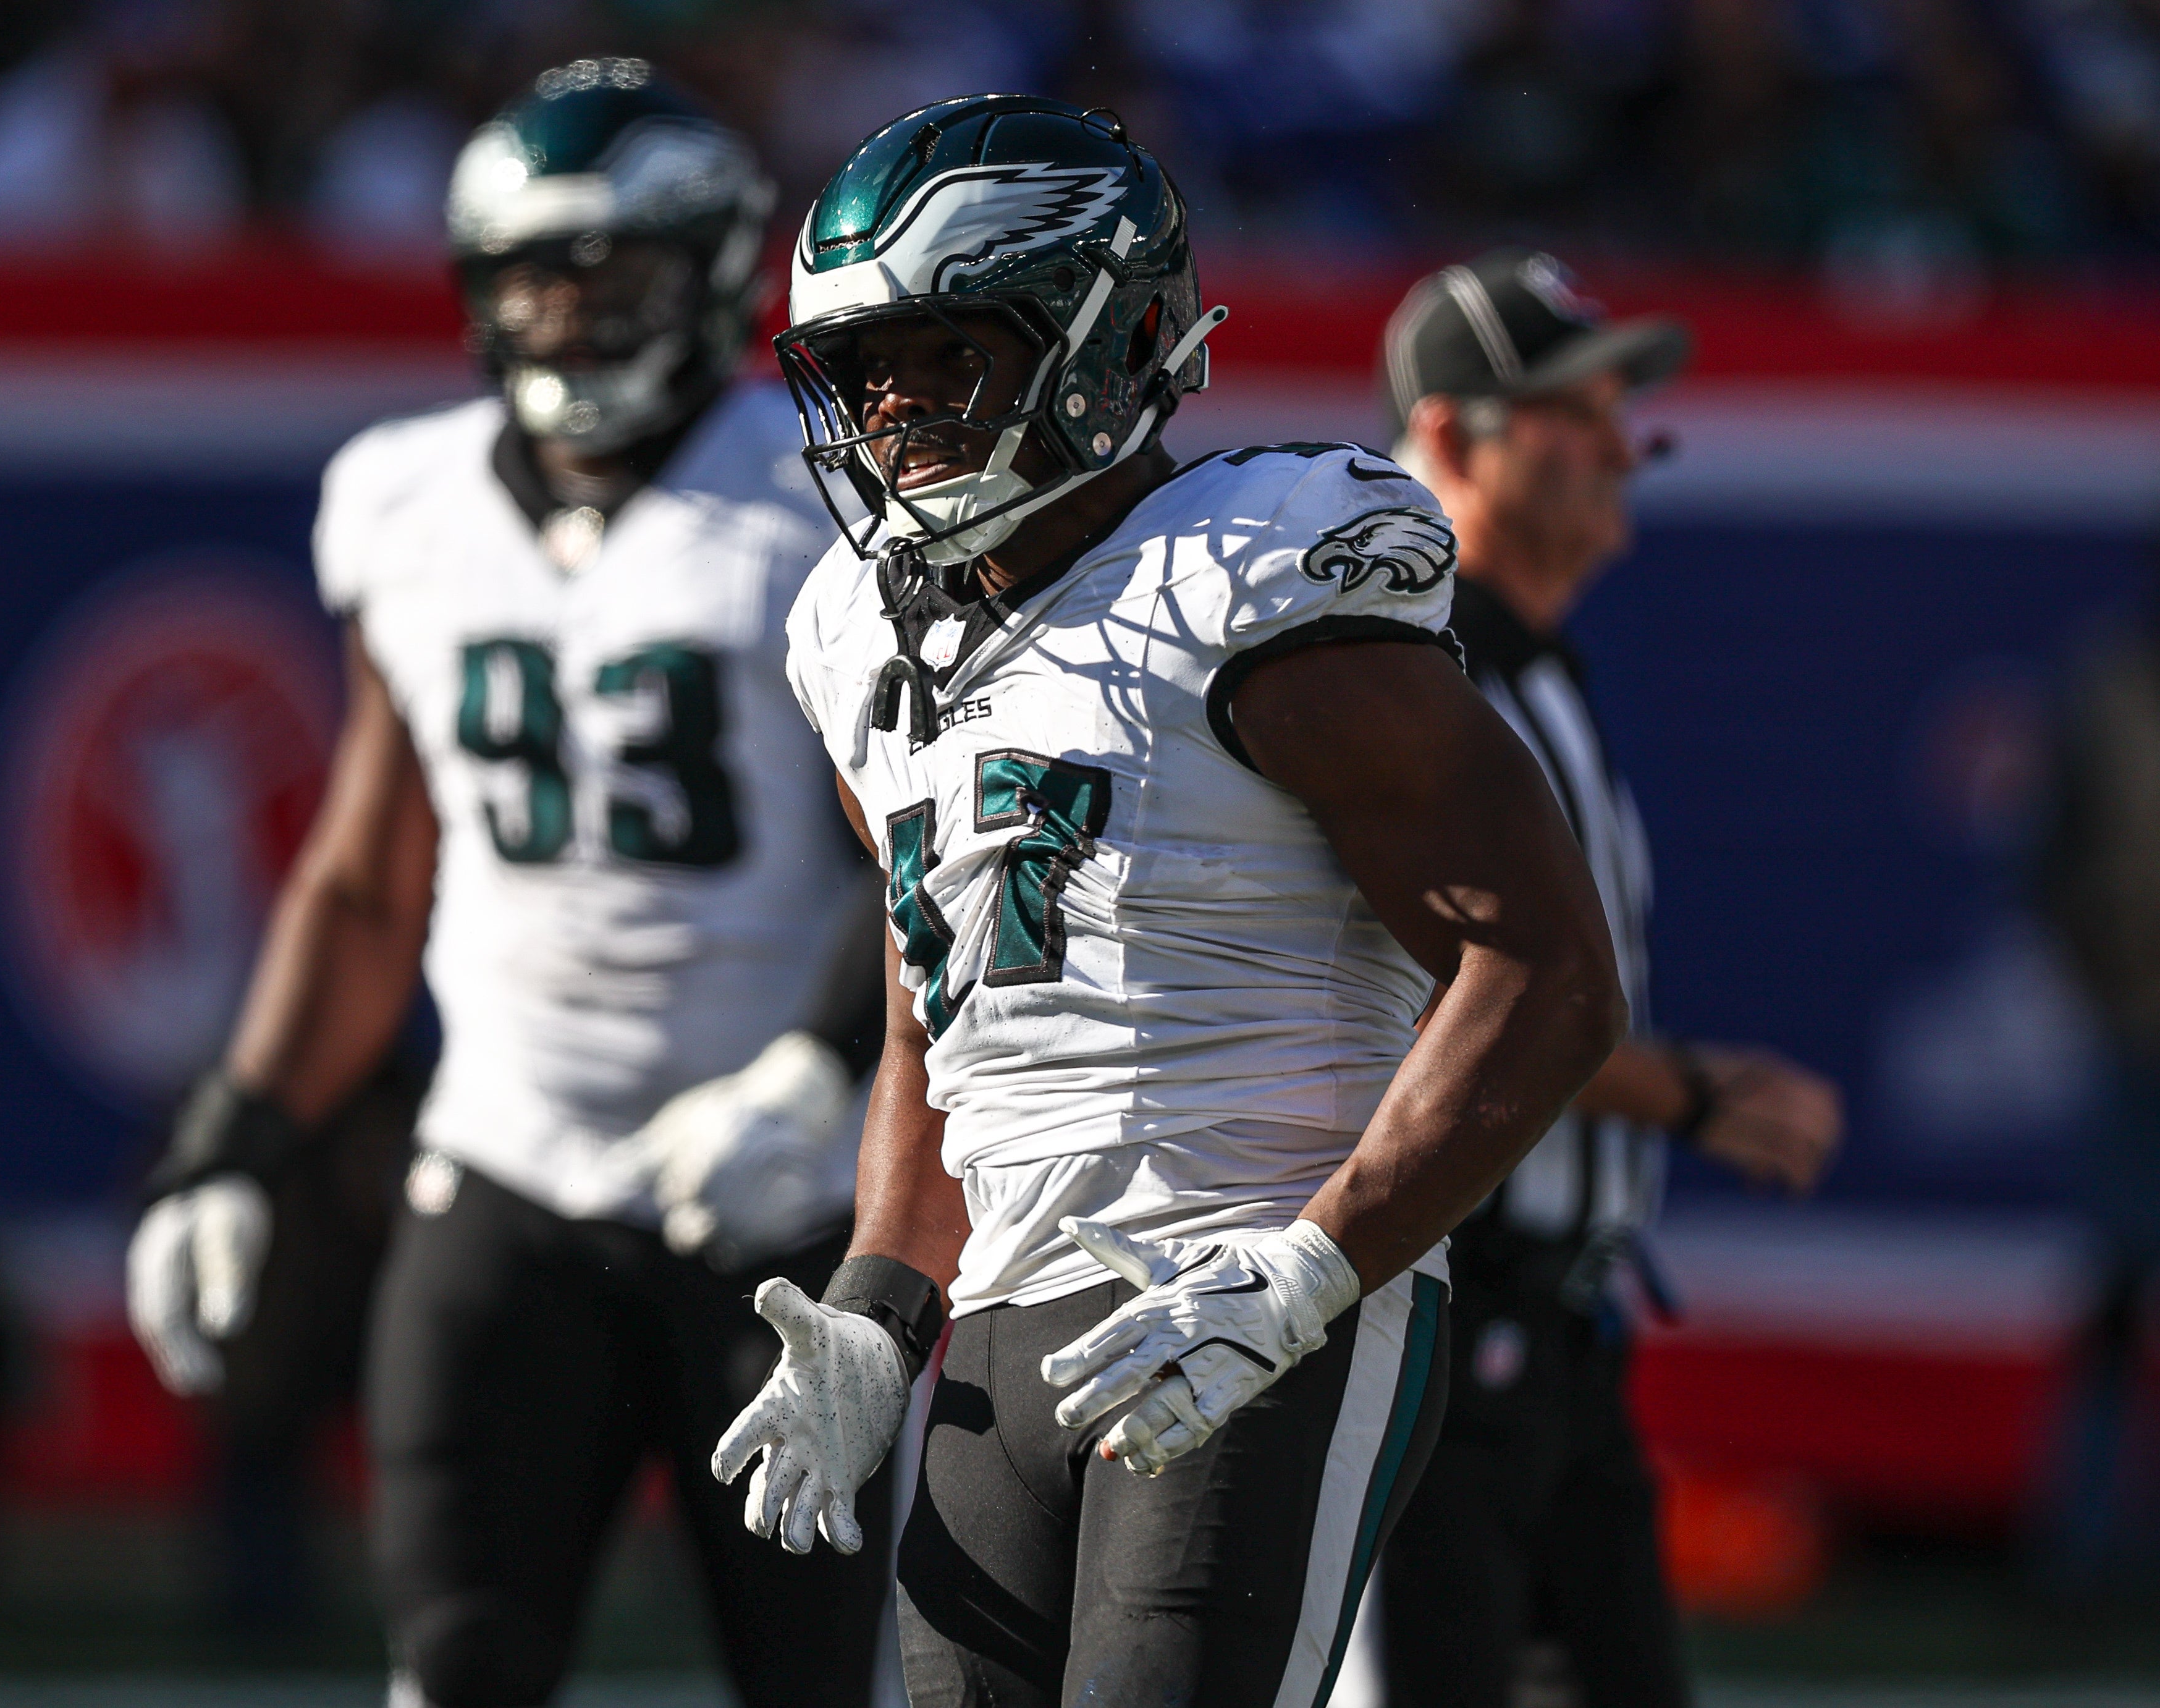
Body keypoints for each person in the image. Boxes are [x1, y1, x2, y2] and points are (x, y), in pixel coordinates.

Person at [711, 95, 1628, 1707]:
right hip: (1002, 1311)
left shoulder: (1255, 579)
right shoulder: (854, 634)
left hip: (1254, 1294)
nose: (896, 410)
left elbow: (1543, 971)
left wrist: (1312, 1266)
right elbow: (950, 1000)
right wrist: (876, 1299)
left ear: (1109, 334)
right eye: (865, 372)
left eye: (949, 356)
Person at [122, 59, 895, 1708]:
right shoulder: (402, 499)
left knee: (827, 1675)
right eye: (526, 275)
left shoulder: (809, 500)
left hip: (770, 1188)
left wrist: (818, 1068)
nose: (561, 315)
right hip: (503, 1165)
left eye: (601, 272)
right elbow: (361, 875)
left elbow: (917, 862)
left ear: (701, 269)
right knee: (458, 1667)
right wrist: (239, 1134)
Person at [1370, 250, 1846, 1708]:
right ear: (1451, 434)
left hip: (1560, 1326)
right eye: (1572, 411)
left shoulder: (1539, 666)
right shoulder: (1408, 667)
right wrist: (1685, 1090)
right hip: (1436, 1321)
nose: (1622, 439)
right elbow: (1454, 984)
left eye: (1621, 406)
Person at [2036, 572, 2160, 1596]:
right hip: (2135, 1032)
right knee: (2117, 1291)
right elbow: (2053, 860)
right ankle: (2080, 1545)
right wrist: (2105, 973)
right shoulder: (2109, 687)